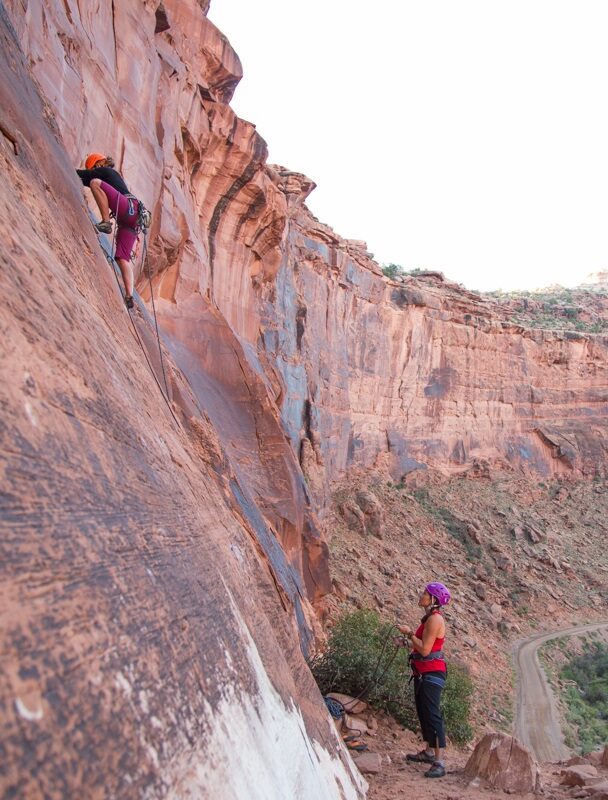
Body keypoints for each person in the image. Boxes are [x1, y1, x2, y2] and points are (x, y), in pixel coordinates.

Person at [397, 581, 451, 779]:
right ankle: (429, 752)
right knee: (424, 712)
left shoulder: (435, 620)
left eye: (425, 594)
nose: (421, 596)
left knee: (432, 714)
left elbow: (426, 649)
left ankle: (440, 762)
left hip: (432, 673)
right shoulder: (429, 619)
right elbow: (423, 645)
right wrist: (406, 642)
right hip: (423, 672)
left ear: (434, 599)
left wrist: (409, 633)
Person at [77, 153, 141, 309]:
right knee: (122, 258)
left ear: (98, 164)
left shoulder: (107, 171)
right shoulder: (110, 177)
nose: (93, 170)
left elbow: (87, 177)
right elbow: (85, 179)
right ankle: (129, 296)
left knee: (95, 182)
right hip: (131, 220)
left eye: (93, 168)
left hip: (128, 209)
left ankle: (106, 223)